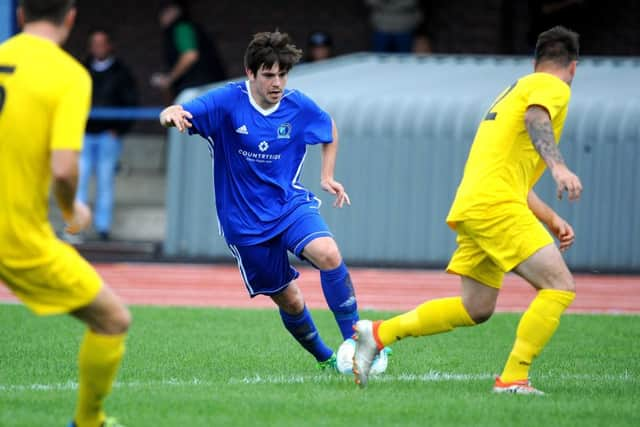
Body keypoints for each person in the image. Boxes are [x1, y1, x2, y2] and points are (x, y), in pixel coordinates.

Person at [353, 26, 583, 393]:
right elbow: (537, 117)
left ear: (535, 59)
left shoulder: (512, 91)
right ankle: (513, 378)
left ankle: (379, 333)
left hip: (480, 203)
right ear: (573, 67)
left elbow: (510, 176)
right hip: (495, 206)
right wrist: (557, 167)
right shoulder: (550, 87)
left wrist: (552, 218)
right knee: (559, 286)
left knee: (475, 307)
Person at [159, 30, 388, 372]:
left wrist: (327, 176)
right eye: (268, 74)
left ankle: (358, 342)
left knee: (328, 253)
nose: (277, 82)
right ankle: (326, 359)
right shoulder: (226, 102)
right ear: (250, 73)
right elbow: (177, 110)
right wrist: (170, 115)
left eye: (282, 74)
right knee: (291, 300)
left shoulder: (298, 106)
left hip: (289, 206)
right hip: (244, 223)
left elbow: (329, 127)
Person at [0, 1, 131, 426]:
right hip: (14, 233)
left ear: (20, 15)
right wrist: (70, 209)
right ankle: (88, 421)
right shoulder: (69, 75)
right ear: (70, 18)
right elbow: (63, 166)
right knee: (112, 319)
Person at [76, 28, 138, 242]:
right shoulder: (81, 69)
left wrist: (118, 129)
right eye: (94, 43)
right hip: (84, 134)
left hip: (108, 136)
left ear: (110, 46)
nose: (98, 48)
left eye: (102, 43)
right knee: (79, 180)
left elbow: (131, 102)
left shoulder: (121, 72)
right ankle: (77, 227)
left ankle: (103, 227)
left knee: (105, 180)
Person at [150, 0, 226, 101]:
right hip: (205, 89)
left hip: (202, 89)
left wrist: (169, 79)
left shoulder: (182, 27)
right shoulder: (182, 28)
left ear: (176, 10)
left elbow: (190, 55)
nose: (161, 17)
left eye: (165, 11)